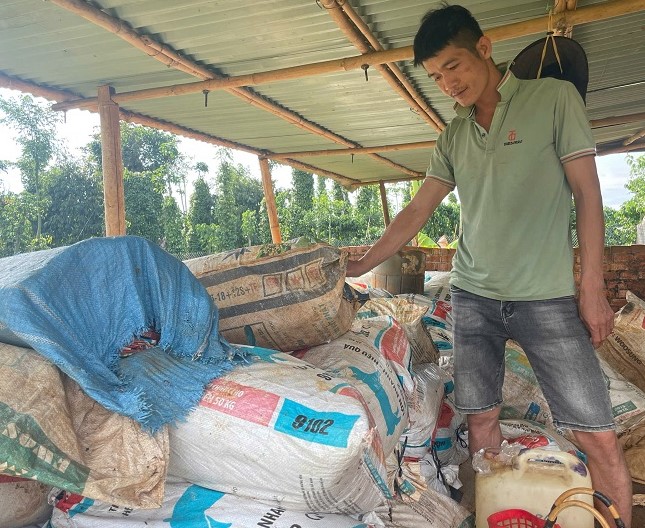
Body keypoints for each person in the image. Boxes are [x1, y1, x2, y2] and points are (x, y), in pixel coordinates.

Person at [346, 4, 632, 526]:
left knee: (598, 435)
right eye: (435, 76)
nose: (447, 83)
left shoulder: (553, 98)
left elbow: (589, 194)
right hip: (473, 299)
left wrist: (591, 288)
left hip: (545, 298)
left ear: (484, 48)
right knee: (481, 425)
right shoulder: (453, 134)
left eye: (453, 65)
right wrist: (361, 264)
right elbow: (416, 210)